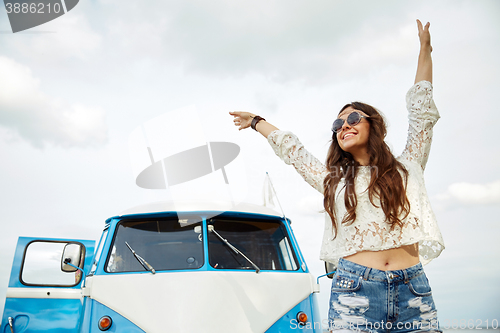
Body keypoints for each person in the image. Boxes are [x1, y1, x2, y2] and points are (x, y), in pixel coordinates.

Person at [229, 20, 444, 332]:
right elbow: (294, 151)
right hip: (354, 291)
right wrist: (257, 122)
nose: (344, 126)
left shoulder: (408, 166)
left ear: (373, 125)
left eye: (353, 118)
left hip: (413, 291)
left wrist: (425, 51)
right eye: (338, 124)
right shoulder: (334, 180)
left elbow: (421, 113)